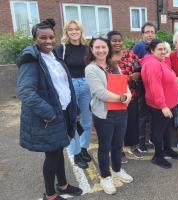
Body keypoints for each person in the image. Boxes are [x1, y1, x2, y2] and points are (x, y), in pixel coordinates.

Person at [16, 18, 82, 200]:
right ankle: (50, 195)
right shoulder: (31, 60)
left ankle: (63, 185)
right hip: (49, 117)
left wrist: (74, 109)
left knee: (58, 150)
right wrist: (49, 112)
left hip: (62, 112)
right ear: (34, 39)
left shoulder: (54, 56)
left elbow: (64, 85)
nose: (48, 41)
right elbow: (25, 91)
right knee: (52, 156)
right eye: (43, 38)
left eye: (51, 37)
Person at [85, 36, 133, 195]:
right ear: (91, 50)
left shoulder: (113, 65)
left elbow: (124, 83)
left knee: (118, 144)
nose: (101, 50)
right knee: (105, 147)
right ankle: (105, 176)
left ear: (108, 48)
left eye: (103, 47)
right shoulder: (90, 69)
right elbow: (100, 93)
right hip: (104, 115)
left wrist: (128, 95)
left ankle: (117, 169)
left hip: (121, 111)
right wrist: (122, 98)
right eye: (97, 47)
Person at [55, 20, 92, 169]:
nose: (74, 32)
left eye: (76, 29)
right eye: (70, 29)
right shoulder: (62, 48)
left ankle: (83, 148)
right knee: (73, 120)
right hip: (70, 86)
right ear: (66, 32)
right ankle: (76, 153)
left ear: (81, 31)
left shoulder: (87, 49)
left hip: (86, 84)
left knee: (87, 119)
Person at [141, 39, 178, 169]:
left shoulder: (160, 61)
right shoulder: (152, 64)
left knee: (166, 129)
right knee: (158, 131)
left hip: (168, 103)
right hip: (160, 105)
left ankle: (167, 149)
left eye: (164, 49)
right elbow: (155, 86)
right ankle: (158, 156)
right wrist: (163, 106)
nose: (163, 51)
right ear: (152, 51)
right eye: (160, 49)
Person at [107, 30, 143, 160]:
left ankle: (133, 145)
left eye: (119, 40)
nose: (117, 43)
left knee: (132, 121)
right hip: (114, 97)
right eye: (114, 40)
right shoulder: (106, 57)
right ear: (109, 42)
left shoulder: (130, 54)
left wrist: (138, 75)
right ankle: (118, 149)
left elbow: (140, 69)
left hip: (130, 94)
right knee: (117, 124)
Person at [132, 22, 157, 153]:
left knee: (154, 114)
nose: (150, 34)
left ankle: (152, 139)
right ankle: (141, 143)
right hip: (142, 86)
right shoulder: (138, 47)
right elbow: (133, 64)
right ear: (142, 34)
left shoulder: (157, 45)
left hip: (155, 86)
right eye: (147, 32)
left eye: (152, 32)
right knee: (142, 115)